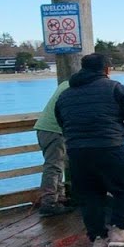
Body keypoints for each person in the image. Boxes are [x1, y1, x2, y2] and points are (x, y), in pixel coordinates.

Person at [54, 53, 124, 247]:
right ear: (106, 69)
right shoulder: (115, 88)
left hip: (77, 152)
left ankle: (98, 241)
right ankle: (118, 230)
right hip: (109, 147)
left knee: (89, 196)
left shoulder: (66, 95)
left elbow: (62, 121)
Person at [32, 79, 72, 216]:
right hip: (54, 130)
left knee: (57, 165)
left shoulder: (66, 83)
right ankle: (49, 203)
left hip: (45, 128)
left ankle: (58, 198)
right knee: (54, 165)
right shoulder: (75, 87)